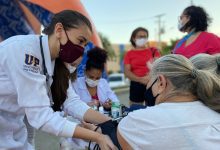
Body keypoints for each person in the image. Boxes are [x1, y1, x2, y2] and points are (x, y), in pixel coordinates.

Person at [0, 10, 116, 150]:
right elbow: (42, 117)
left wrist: (111, 123)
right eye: (80, 41)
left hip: (14, 129)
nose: (81, 49)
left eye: (84, 45)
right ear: (59, 30)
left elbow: (71, 102)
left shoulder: (56, 60)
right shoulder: (25, 51)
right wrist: (97, 136)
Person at [117, 54, 220, 149]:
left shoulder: (134, 124)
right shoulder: (215, 113)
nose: (147, 87)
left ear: (161, 83)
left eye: (149, 81)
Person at [124, 27, 160, 106]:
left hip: (152, 83)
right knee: (135, 110)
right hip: (136, 85)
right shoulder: (129, 54)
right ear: (133, 38)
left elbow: (159, 67)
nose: (143, 38)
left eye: (145, 36)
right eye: (140, 36)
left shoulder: (153, 51)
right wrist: (140, 79)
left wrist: (149, 77)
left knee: (152, 110)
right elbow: (127, 72)